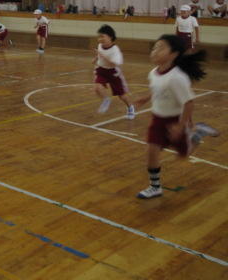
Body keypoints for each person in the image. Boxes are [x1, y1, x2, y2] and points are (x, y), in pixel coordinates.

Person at [134, 35, 219, 199]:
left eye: (160, 48)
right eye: (154, 47)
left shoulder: (177, 78)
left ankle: (198, 133)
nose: (155, 51)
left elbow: (189, 103)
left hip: (176, 121)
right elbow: (157, 89)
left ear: (173, 54)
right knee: (151, 151)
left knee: (183, 155)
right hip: (157, 120)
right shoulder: (153, 73)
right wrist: (145, 98)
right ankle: (155, 187)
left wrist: (181, 125)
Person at [93, 25, 135, 119]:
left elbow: (116, 63)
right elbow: (99, 54)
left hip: (113, 72)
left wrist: (103, 56)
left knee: (122, 95)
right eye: (99, 37)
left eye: (103, 36)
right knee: (97, 87)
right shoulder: (100, 45)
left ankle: (130, 108)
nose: (100, 39)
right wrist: (95, 59)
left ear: (110, 37)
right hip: (101, 70)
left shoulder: (115, 50)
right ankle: (106, 99)